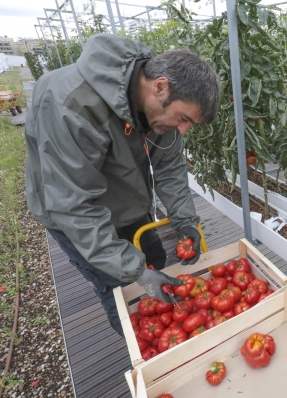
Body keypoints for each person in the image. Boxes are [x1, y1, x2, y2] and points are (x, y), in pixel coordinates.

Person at [24, 34, 220, 336]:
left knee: (152, 258)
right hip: (70, 209)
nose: (182, 129)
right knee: (117, 286)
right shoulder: (72, 107)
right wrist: (134, 272)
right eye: (182, 118)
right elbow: (74, 206)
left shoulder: (156, 106)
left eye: (188, 123)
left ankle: (160, 322)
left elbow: (169, 165)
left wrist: (186, 222)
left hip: (125, 196)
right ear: (160, 87)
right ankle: (142, 353)